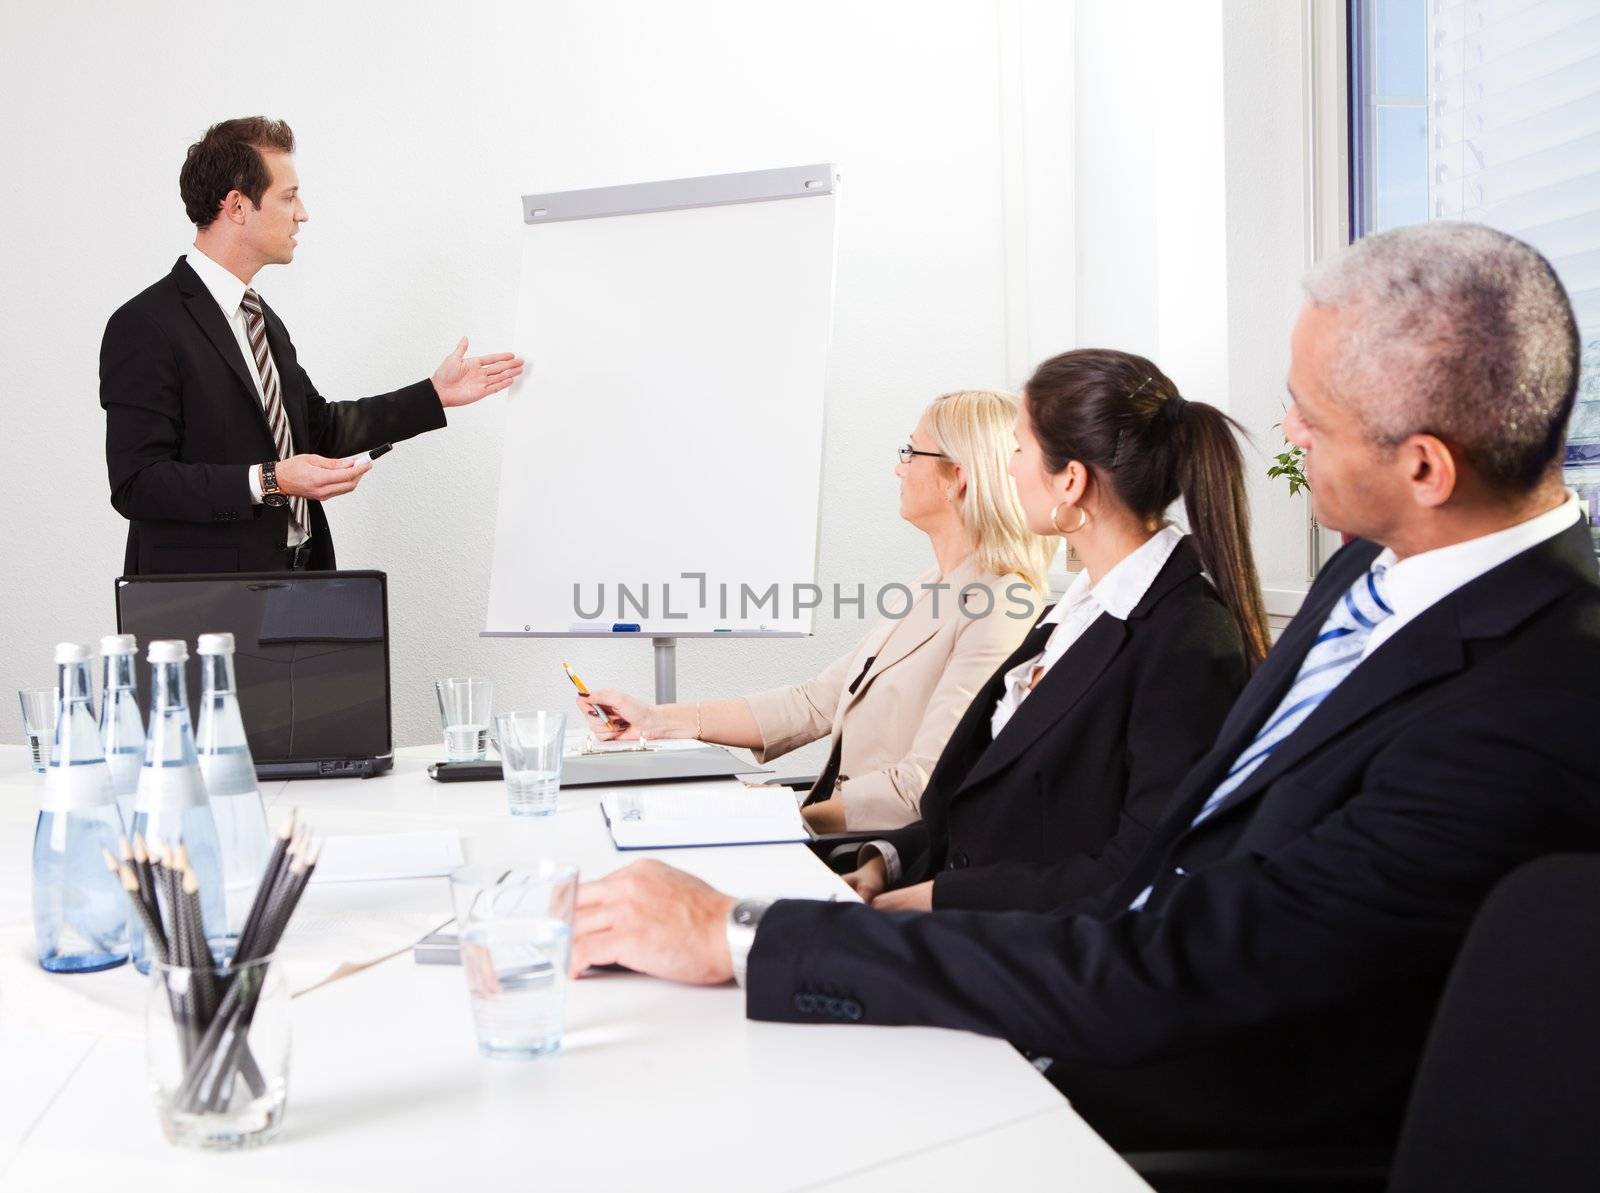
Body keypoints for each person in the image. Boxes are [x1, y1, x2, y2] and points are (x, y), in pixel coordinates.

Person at [567, 222, 1600, 1153]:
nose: (1282, 433)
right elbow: (1168, 856)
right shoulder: (1372, 567)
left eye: (1311, 419)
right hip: (1100, 997)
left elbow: (1188, 954)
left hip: (1187, 1096)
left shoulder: (1535, 702)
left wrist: (739, 935)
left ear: (1424, 467)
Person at [847, 350, 1268, 913]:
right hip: (974, 930)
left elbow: (1141, 868)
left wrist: (937, 898)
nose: (1009, 466)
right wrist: (888, 859)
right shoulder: (1076, 611)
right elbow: (997, 805)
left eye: (1018, 449)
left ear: (1070, 480)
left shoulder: (1189, 639)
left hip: (1038, 960)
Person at [578, 389, 1056, 832]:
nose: (899, 468)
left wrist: (779, 815)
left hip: (877, 850)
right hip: (831, 825)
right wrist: (652, 720)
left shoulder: (1001, 607)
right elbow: (814, 703)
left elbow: (924, 784)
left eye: (910, 452)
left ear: (958, 476)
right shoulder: (930, 587)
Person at [101, 117, 524, 575]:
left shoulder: (260, 320)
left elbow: (317, 428)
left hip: (298, 581)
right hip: (204, 601)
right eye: (288, 196)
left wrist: (434, 395)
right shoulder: (146, 324)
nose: (302, 212)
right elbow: (137, 483)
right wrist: (271, 480)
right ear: (238, 206)